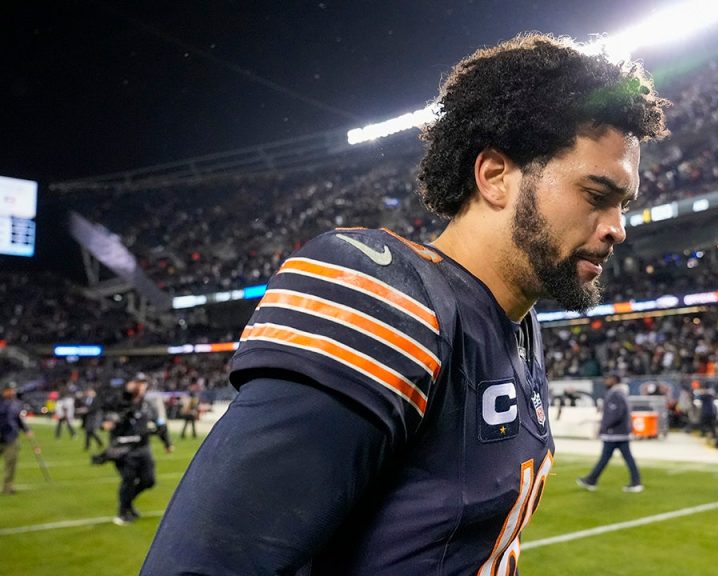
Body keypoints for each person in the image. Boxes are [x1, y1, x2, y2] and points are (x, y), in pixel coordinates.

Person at [144, 33, 668, 574]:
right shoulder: (390, 298)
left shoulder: (520, 325)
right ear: (495, 176)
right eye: (597, 196)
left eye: (624, 206)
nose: (618, 229)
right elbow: (210, 562)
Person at [97, 373, 173, 525]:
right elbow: (106, 414)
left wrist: (167, 442)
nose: (140, 386)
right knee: (128, 480)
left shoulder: (148, 404)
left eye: (143, 383)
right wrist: (108, 421)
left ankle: (128, 503)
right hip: (123, 448)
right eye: (137, 382)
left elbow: (159, 424)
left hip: (143, 448)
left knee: (149, 481)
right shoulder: (119, 401)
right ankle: (122, 512)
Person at [577, 375, 643, 492]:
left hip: (614, 433)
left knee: (608, 458)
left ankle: (592, 480)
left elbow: (616, 413)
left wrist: (605, 426)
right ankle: (592, 479)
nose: (605, 381)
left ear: (614, 380)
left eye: (608, 379)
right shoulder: (620, 393)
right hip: (619, 433)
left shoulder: (616, 394)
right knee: (621, 458)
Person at [1, 382, 33, 494]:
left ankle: (8, 487)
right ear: (4, 391)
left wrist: (26, 429)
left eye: (13, 390)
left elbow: (17, 419)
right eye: (10, 390)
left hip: (11, 437)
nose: (12, 392)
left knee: (11, 463)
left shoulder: (15, 403)